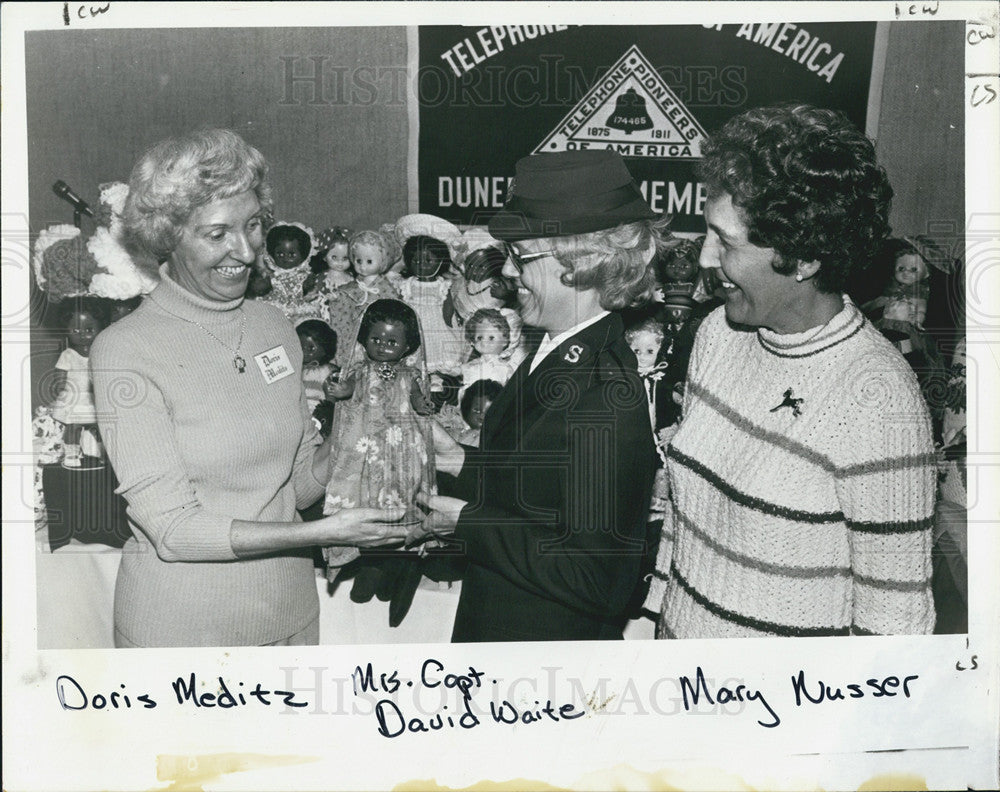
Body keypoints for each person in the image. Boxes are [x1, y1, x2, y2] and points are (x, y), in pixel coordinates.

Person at [90, 128, 408, 648]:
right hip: (183, 632)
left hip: (291, 616)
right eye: (217, 234)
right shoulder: (125, 351)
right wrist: (320, 534)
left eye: (254, 225)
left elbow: (298, 482)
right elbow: (172, 530)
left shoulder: (272, 326)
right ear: (166, 236)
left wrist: (362, 424)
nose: (245, 250)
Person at [644, 105, 936, 638]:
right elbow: (687, 515)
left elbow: (895, 623)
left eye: (726, 242)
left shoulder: (878, 395)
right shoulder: (717, 334)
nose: (705, 258)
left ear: (804, 259)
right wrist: (648, 620)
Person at [421, 149, 663, 642]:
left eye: (521, 256)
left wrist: (469, 522)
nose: (506, 273)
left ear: (585, 264)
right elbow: (540, 490)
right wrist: (459, 462)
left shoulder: (606, 395)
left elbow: (598, 578)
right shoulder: (554, 350)